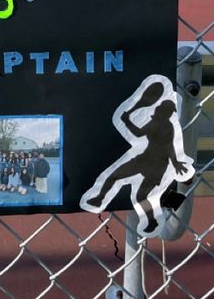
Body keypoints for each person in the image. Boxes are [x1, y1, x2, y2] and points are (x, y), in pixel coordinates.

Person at [81, 93, 194, 235]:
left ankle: (152, 220)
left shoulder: (164, 125)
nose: (159, 110)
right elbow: (142, 135)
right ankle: (99, 198)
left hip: (157, 166)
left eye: (164, 110)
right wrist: (127, 120)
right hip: (144, 158)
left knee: (141, 196)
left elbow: (163, 144)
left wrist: (127, 121)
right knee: (115, 176)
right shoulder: (159, 123)